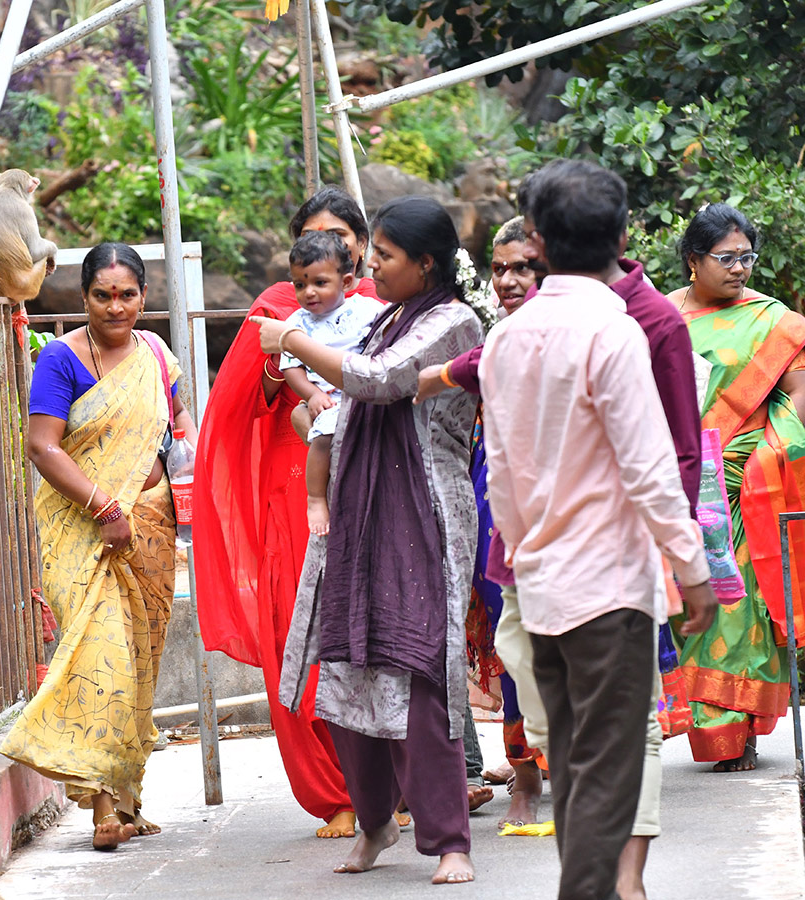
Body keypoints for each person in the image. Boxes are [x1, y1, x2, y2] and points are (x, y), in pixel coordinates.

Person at [478, 159, 718, 900]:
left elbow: (502, 476)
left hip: (544, 583)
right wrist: (694, 569)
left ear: (540, 243)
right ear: (621, 236)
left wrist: (523, 550)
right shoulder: (613, 334)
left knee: (579, 765)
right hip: (609, 589)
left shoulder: (506, 341)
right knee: (609, 771)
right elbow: (650, 468)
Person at [259, 195, 484, 883]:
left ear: (425, 263)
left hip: (424, 513)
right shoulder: (386, 316)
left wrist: (291, 342)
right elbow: (343, 399)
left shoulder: (454, 321)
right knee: (350, 665)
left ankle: (450, 841)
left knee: (420, 670)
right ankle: (377, 820)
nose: (370, 265)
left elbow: (384, 382)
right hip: (363, 511)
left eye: (382, 255)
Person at [193, 187, 379, 840]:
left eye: (341, 235)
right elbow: (242, 401)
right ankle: (335, 794)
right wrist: (283, 366)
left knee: (375, 640)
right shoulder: (276, 306)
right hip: (293, 493)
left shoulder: (381, 308)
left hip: (375, 493)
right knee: (300, 637)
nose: (329, 245)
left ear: (359, 248)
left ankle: (390, 784)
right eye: (314, 234)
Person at [0, 242, 198, 852]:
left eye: (128, 294)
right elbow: (42, 446)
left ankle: (129, 796)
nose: (116, 307)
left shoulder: (157, 357)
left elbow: (178, 425)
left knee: (139, 659)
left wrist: (183, 491)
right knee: (100, 655)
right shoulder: (60, 360)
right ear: (83, 298)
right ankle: (102, 808)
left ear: (144, 296)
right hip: (82, 529)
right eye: (103, 295)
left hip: (152, 525)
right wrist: (106, 507)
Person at [668, 202, 805, 771]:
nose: (741, 268)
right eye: (727, 258)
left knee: (738, 601)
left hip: (746, 481)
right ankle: (708, 724)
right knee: (688, 606)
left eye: (747, 256)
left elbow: (799, 397)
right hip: (674, 476)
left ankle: (739, 731)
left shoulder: (775, 321)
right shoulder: (660, 315)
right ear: (693, 260)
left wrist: (770, 453)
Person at [457, 217, 549, 825]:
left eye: (524, 267)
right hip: (494, 502)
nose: (509, 280)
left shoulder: (576, 335)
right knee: (511, 639)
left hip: (561, 506)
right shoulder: (491, 340)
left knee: (560, 641)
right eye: (499, 268)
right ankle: (525, 775)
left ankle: (578, 770)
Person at [278, 231, 383, 535]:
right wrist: (311, 394)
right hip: (328, 400)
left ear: (346, 282)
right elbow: (291, 368)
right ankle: (315, 498)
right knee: (323, 436)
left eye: (319, 283)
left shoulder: (366, 310)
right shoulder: (296, 323)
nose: (309, 292)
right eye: (300, 284)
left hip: (363, 392)